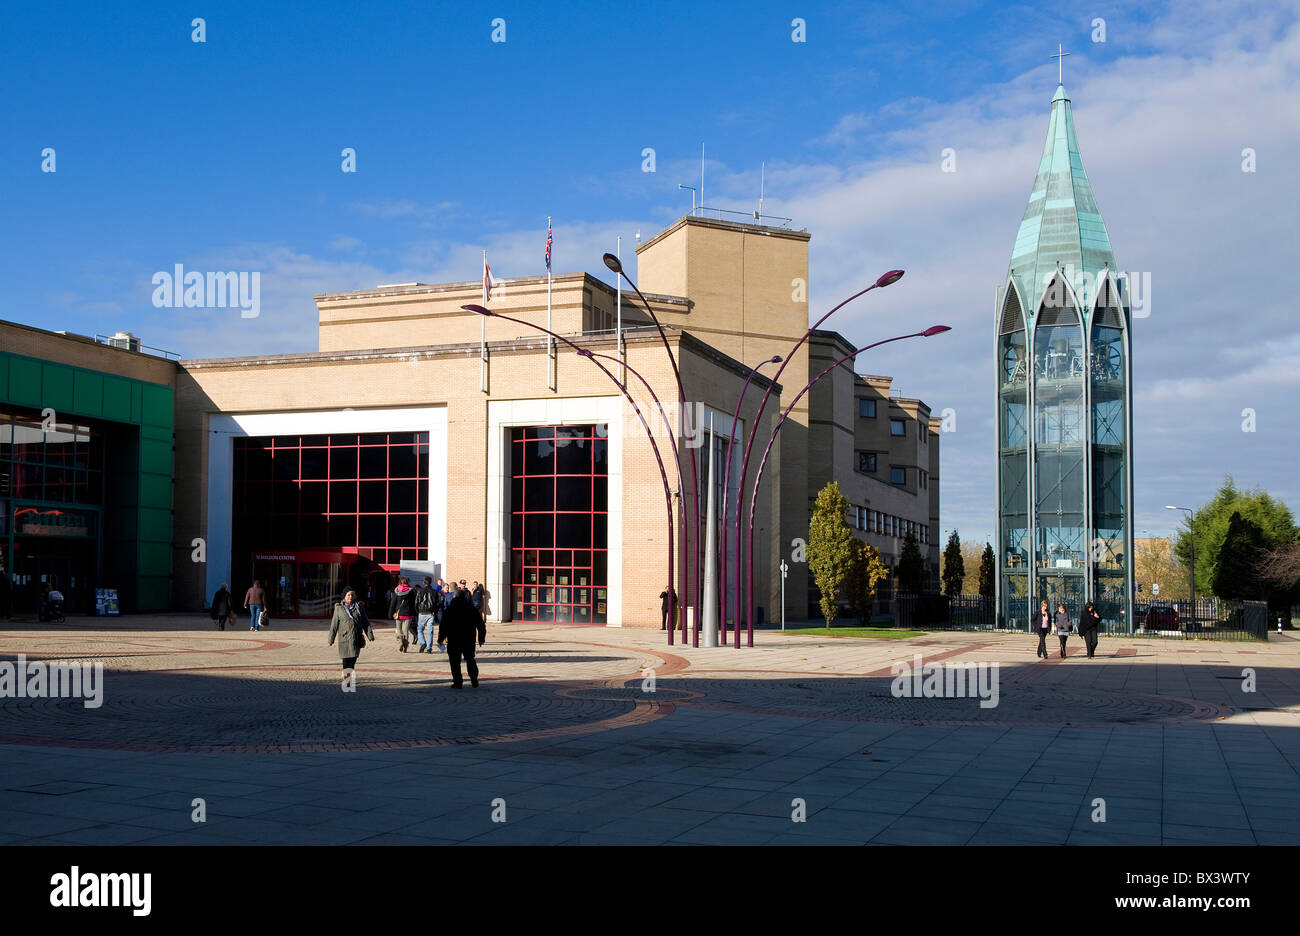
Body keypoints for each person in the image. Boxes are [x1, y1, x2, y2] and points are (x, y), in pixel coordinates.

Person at [438, 583, 485, 688]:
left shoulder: (450, 609)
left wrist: (441, 638)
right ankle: (474, 678)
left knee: (454, 661)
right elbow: (480, 624)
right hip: (469, 638)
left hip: (454, 638)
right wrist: (481, 638)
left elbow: (443, 625)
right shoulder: (471, 608)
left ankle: (458, 681)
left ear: (455, 596)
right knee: (470, 658)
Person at [328, 588, 375, 678]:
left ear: (355, 596)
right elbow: (334, 625)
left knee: (353, 660)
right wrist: (331, 639)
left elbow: (365, 622)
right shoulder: (339, 608)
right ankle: (347, 678)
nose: (350, 597)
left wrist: (370, 635)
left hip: (356, 638)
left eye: (352, 595)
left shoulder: (359, 607)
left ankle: (349, 676)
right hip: (344, 639)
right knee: (346, 660)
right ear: (344, 596)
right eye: (348, 595)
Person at [389, 576, 417, 652]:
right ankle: (405, 645)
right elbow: (413, 603)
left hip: (399, 613)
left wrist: (390, 613)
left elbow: (393, 603)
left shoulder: (396, 590)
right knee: (406, 630)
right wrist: (414, 613)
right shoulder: (411, 591)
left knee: (398, 628)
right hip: (408, 613)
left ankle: (401, 641)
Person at [415, 576, 442, 653]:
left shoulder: (420, 590)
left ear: (424, 582)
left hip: (422, 612)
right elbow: (438, 602)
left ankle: (423, 643)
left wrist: (417, 610)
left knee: (420, 629)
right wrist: (435, 611)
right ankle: (429, 648)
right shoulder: (434, 591)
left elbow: (416, 602)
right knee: (430, 631)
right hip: (431, 612)